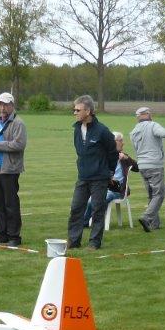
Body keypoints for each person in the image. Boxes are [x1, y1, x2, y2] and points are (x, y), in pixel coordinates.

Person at [66, 95, 119, 251]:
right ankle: (74, 241)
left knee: (97, 210)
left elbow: (113, 153)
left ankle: (94, 242)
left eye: (78, 110)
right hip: (82, 177)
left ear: (88, 111)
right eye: (74, 110)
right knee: (76, 208)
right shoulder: (76, 129)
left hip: (99, 178)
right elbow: (79, 151)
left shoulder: (102, 131)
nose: (75, 113)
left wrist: (109, 172)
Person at [128, 106, 165, 232]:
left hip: (142, 166)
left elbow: (136, 149)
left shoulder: (133, 132)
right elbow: (164, 133)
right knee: (159, 194)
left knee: (152, 195)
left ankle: (154, 224)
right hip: (154, 165)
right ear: (146, 114)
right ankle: (146, 217)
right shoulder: (152, 125)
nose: (151, 115)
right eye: (149, 113)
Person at [0, 92, 27, 246]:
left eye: (6, 104)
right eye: (0, 104)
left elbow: (19, 144)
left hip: (9, 169)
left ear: (12, 105)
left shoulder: (18, 123)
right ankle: (2, 234)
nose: (2, 107)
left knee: (11, 204)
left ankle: (14, 236)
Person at [83, 131, 138, 225]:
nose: (123, 143)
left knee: (103, 197)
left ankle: (96, 221)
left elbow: (137, 168)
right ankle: (84, 222)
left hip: (118, 190)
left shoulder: (124, 157)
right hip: (103, 187)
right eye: (121, 141)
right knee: (90, 200)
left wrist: (126, 158)